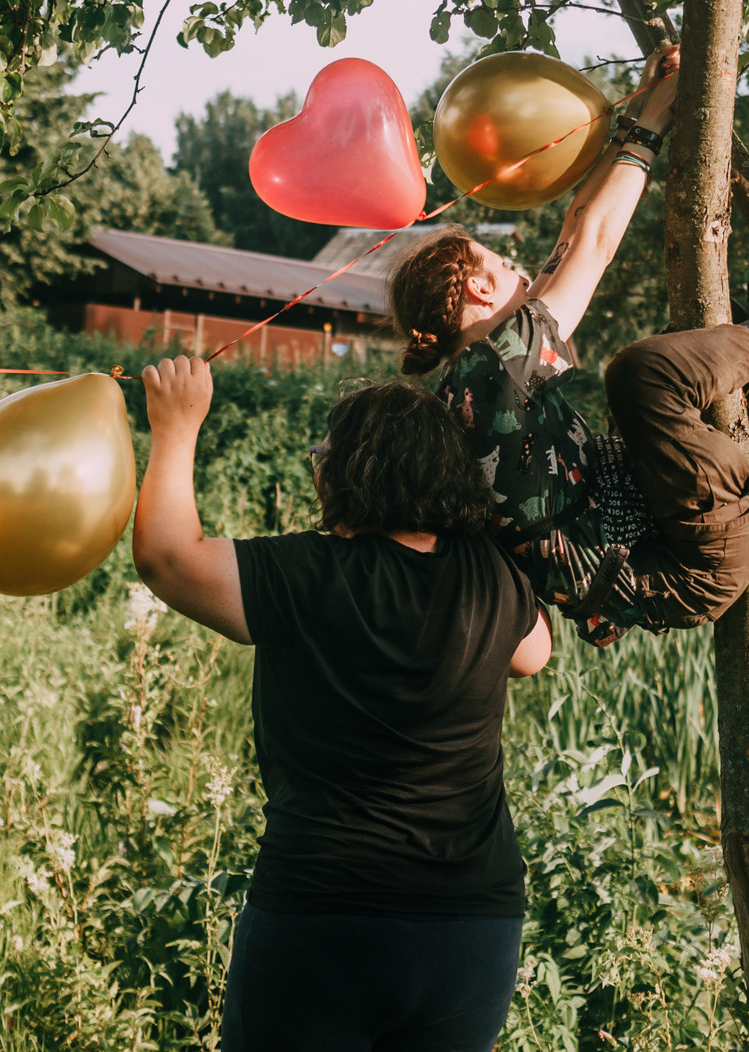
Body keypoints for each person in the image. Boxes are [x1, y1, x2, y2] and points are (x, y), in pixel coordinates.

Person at [390, 44, 749, 645]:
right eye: (506, 263)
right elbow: (592, 241)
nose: (526, 272)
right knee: (642, 373)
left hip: (667, 526)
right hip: (680, 567)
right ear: (481, 291)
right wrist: (652, 124)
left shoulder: (483, 378)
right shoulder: (491, 380)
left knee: (687, 349)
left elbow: (574, 229)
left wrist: (634, 114)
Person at [132, 357, 550, 1052]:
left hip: (325, 916)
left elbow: (168, 559)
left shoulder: (310, 574)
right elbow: (533, 653)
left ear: (354, 473)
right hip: (470, 928)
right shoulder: (489, 574)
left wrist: (176, 427)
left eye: (325, 453)